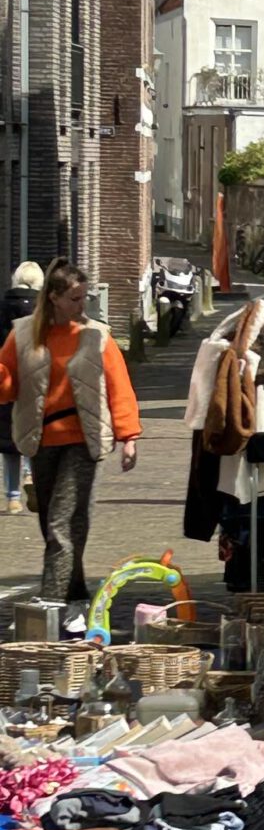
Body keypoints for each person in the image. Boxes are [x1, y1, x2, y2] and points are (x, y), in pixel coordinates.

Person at [0, 259, 141, 605]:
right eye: (76, 299)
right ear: (54, 298)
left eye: (84, 298)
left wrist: (129, 437)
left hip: (84, 440)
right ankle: (76, 592)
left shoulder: (97, 335)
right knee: (54, 523)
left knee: (63, 523)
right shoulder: (22, 334)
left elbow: (118, 386)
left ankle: (52, 601)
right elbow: (7, 384)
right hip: (41, 439)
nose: (83, 306)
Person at [0, 262, 44, 514]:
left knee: (8, 443)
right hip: (35, 380)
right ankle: (30, 475)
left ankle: (13, 498)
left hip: (6, 382)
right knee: (32, 435)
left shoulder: (2, 308)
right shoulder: (43, 311)